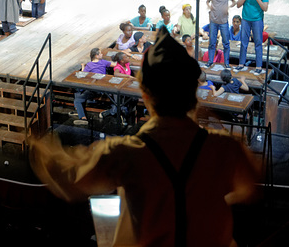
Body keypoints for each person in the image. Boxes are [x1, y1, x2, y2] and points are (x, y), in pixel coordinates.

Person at [29, 27, 258, 247]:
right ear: (194, 94)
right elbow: (249, 186)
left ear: (145, 96)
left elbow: (67, 178)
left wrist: (40, 147)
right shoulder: (225, 149)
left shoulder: (126, 153)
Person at [72, 47, 115, 126]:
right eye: (100, 53)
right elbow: (114, 64)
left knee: (78, 99)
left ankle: (82, 118)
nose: (102, 54)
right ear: (96, 56)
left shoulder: (89, 65)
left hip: (95, 89)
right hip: (104, 88)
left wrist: (83, 66)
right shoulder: (103, 62)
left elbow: (83, 74)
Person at [235, 0, 269, 74]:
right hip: (245, 19)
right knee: (244, 42)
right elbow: (238, 5)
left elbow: (265, 8)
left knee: (258, 42)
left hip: (257, 20)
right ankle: (241, 64)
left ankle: (258, 66)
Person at [204, 0, 236, 69]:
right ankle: (210, 61)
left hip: (223, 21)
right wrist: (209, 7)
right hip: (213, 21)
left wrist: (229, 7)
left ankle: (226, 62)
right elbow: (207, 1)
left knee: (226, 42)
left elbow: (234, 1)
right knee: (212, 42)